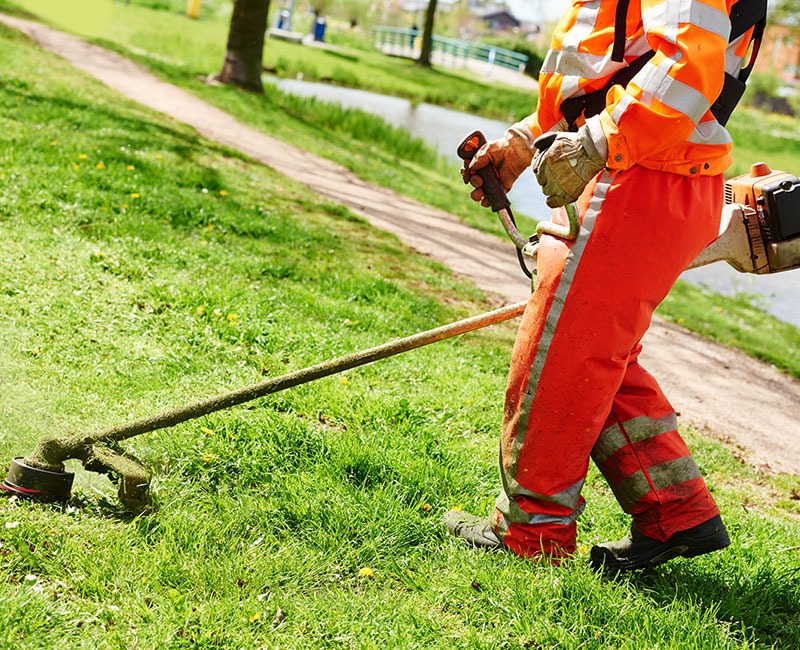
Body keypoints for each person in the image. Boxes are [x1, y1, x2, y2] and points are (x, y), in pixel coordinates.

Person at [446, 0, 762, 571]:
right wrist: (527, 140)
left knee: (561, 356)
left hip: (638, 174)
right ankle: (677, 510)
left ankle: (532, 531)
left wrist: (597, 142)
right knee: (592, 350)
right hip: (649, 170)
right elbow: (607, 69)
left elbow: (687, 66)